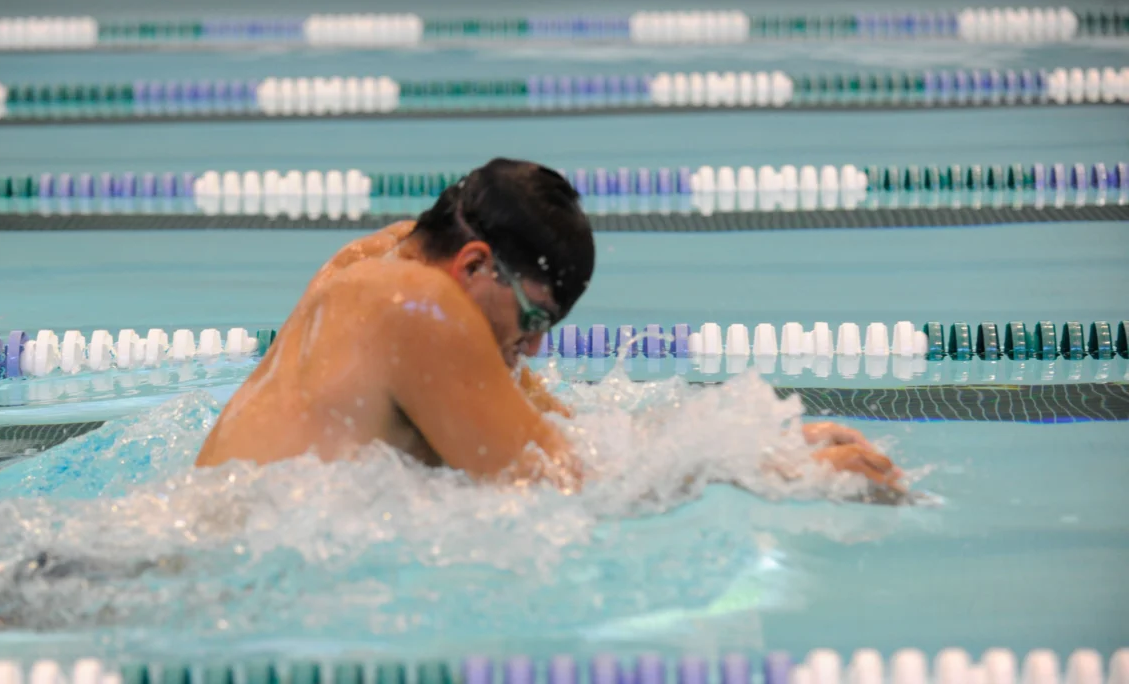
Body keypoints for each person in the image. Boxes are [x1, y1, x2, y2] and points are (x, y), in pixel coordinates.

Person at [196, 158, 903, 495]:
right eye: (532, 318)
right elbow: (560, 489)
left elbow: (559, 429)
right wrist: (763, 472)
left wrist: (751, 437)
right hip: (192, 580)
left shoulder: (380, 259)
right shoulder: (421, 308)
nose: (532, 346)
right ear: (475, 263)